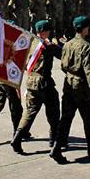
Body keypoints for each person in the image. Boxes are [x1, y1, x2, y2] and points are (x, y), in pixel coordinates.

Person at [51, 16, 90, 164]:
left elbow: (63, 65)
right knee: (89, 118)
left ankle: (56, 148)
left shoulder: (68, 44)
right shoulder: (85, 46)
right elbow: (89, 70)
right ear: (84, 29)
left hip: (69, 83)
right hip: (82, 86)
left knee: (66, 118)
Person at [11, 20, 60, 154]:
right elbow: (62, 54)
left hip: (30, 81)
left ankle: (17, 138)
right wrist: (53, 45)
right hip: (44, 82)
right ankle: (53, 138)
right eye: (48, 31)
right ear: (44, 32)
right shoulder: (46, 46)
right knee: (53, 110)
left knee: (30, 112)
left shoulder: (29, 43)